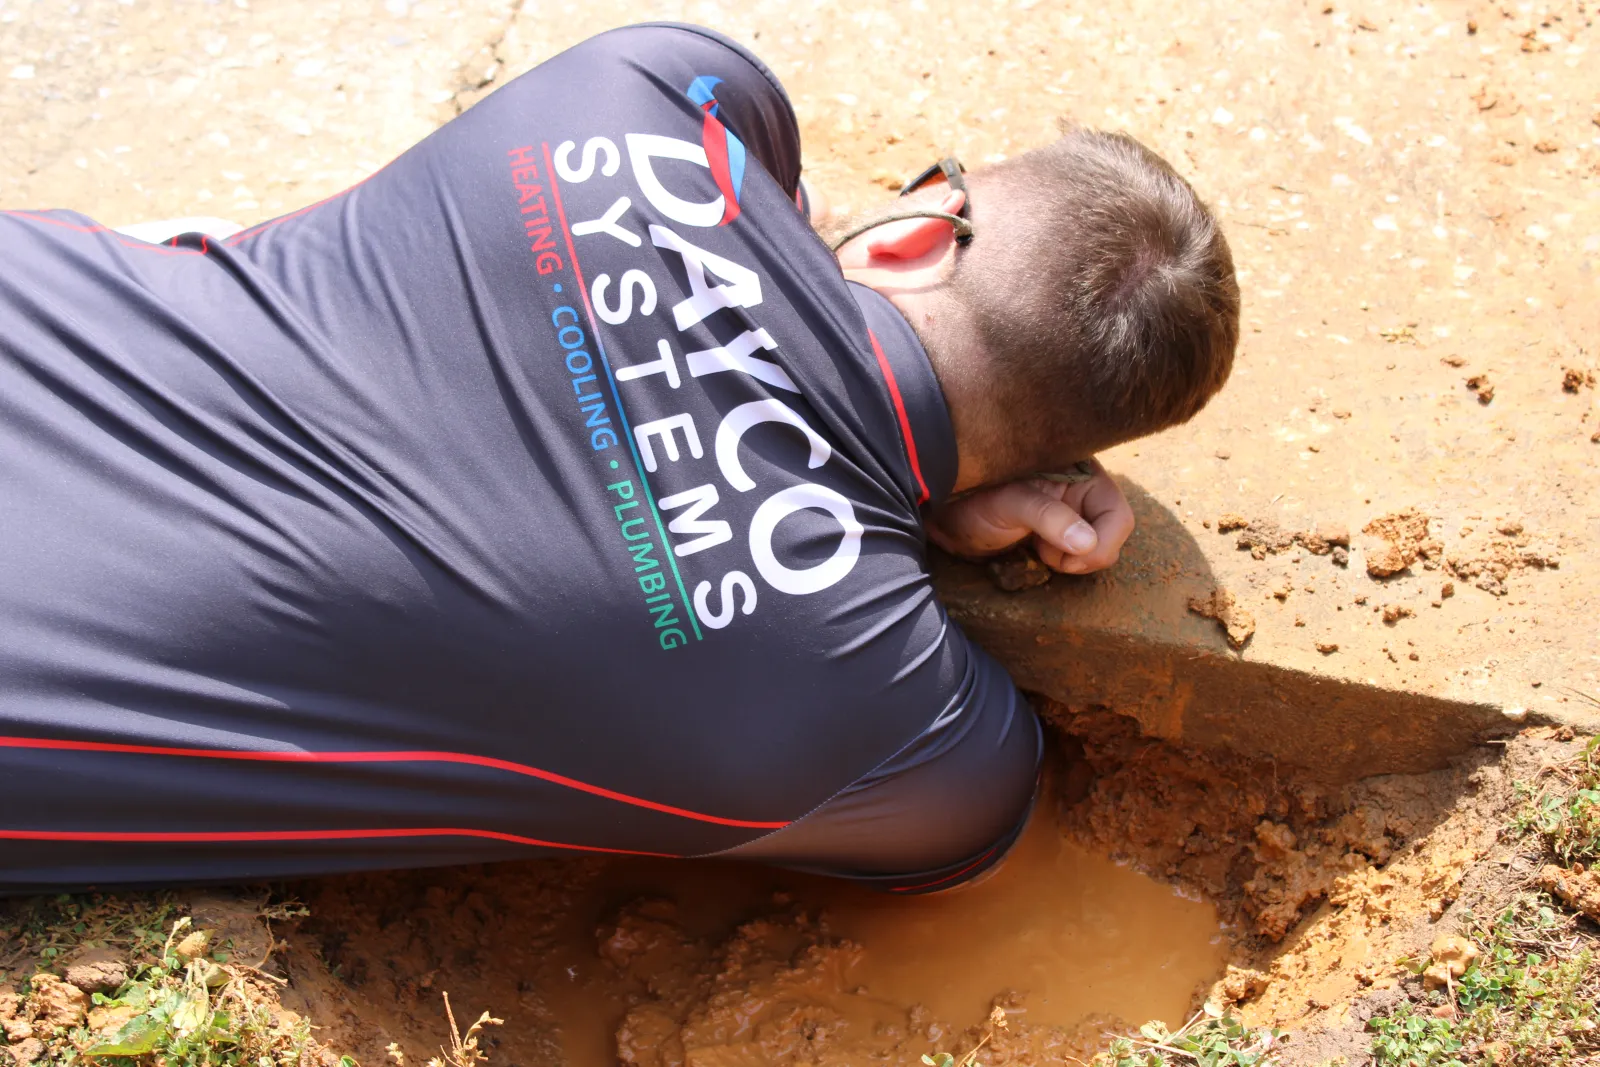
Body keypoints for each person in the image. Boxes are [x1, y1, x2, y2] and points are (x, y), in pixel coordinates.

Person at [0, 22, 1237, 895]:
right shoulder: (907, 731)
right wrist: (922, 495)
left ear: (919, 224)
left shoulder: (650, 88)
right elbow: (979, 841)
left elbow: (756, 211)